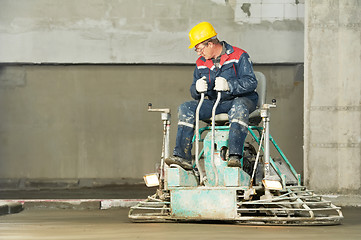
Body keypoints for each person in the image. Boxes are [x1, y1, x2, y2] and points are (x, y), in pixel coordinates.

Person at [165, 22, 258, 170]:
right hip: (217, 103)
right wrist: (196, 89)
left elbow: (251, 82)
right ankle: (183, 157)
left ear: (210, 44)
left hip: (241, 100)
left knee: (238, 107)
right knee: (186, 108)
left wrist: (230, 86)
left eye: (199, 48)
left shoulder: (239, 55)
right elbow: (193, 91)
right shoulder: (201, 63)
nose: (198, 53)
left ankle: (235, 156)